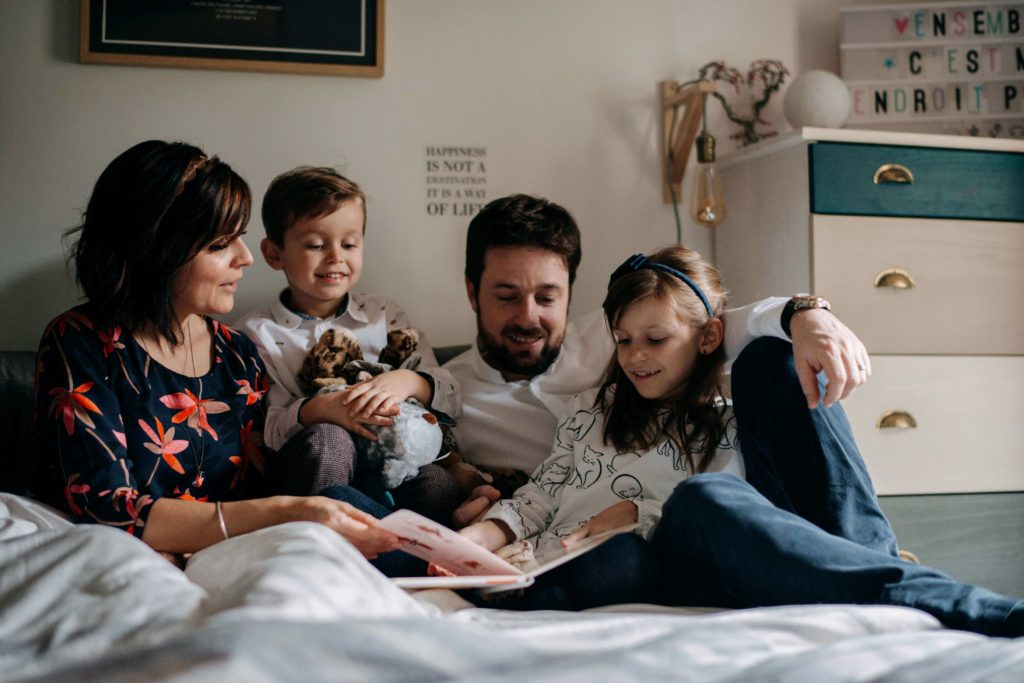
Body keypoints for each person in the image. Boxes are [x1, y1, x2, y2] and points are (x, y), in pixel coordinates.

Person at [451, 246, 1023, 638]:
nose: (635, 356)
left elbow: (735, 520)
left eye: (656, 339)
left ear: (709, 339)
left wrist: (635, 513)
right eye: (623, 341)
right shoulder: (586, 411)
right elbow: (539, 497)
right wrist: (477, 537)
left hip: (692, 551)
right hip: (593, 561)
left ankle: (944, 598)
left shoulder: (728, 418)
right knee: (590, 570)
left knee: (705, 494)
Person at [33, 141, 402, 567]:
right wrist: (287, 512)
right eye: (220, 244)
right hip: (125, 564)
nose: (246, 258)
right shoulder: (81, 342)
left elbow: (262, 484)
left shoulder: (238, 353)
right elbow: (106, 505)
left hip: (234, 560)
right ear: (157, 248)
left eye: (239, 238)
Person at [444, 194, 871, 525]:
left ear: (569, 293)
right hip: (596, 534)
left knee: (773, 355)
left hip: (705, 500)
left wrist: (803, 313)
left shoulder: (618, 334)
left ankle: (865, 553)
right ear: (471, 292)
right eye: (507, 297)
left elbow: (707, 327)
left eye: (546, 297)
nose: (528, 317)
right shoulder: (447, 392)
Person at [236, 166, 461, 522]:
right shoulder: (257, 334)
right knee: (330, 442)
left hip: (389, 463)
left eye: (349, 244)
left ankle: (393, 543)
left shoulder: (384, 315)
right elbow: (268, 434)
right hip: (313, 470)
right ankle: (339, 540)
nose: (335, 257)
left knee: (438, 484)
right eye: (316, 245)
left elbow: (451, 397)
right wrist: (318, 409)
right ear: (274, 253)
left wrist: (409, 381)